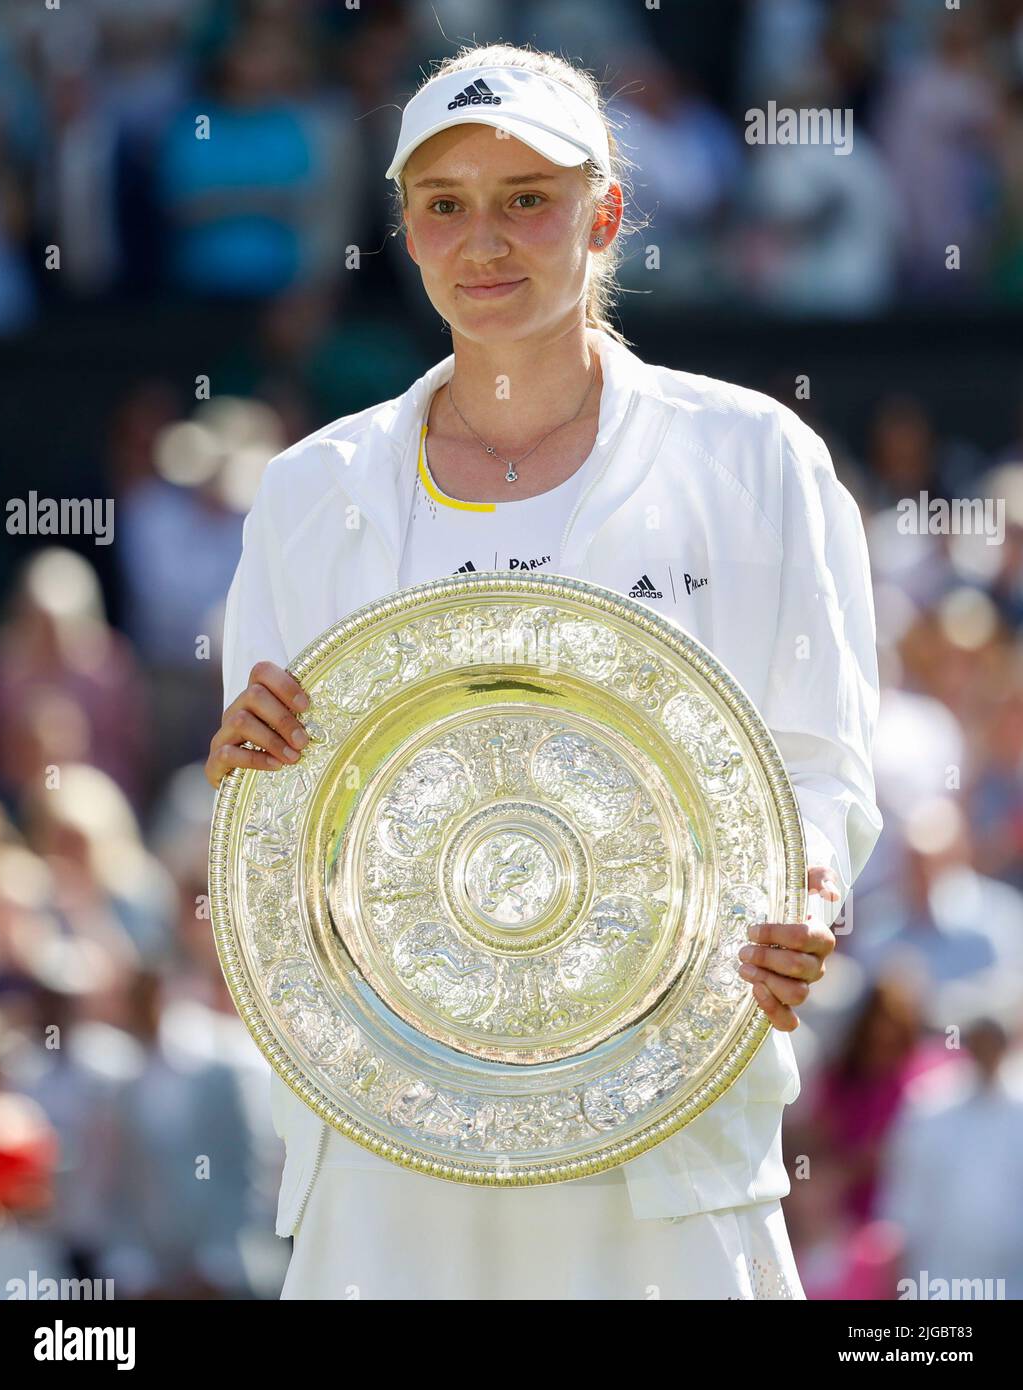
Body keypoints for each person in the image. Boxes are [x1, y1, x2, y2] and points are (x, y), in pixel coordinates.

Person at [206, 44, 883, 1300]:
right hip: (390, 1142)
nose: (486, 242)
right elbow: (279, 818)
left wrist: (803, 893)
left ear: (604, 214)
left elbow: (818, 765)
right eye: (445, 205)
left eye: (527, 198)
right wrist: (244, 767)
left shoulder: (756, 460)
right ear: (403, 229)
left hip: (667, 1118)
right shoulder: (310, 490)